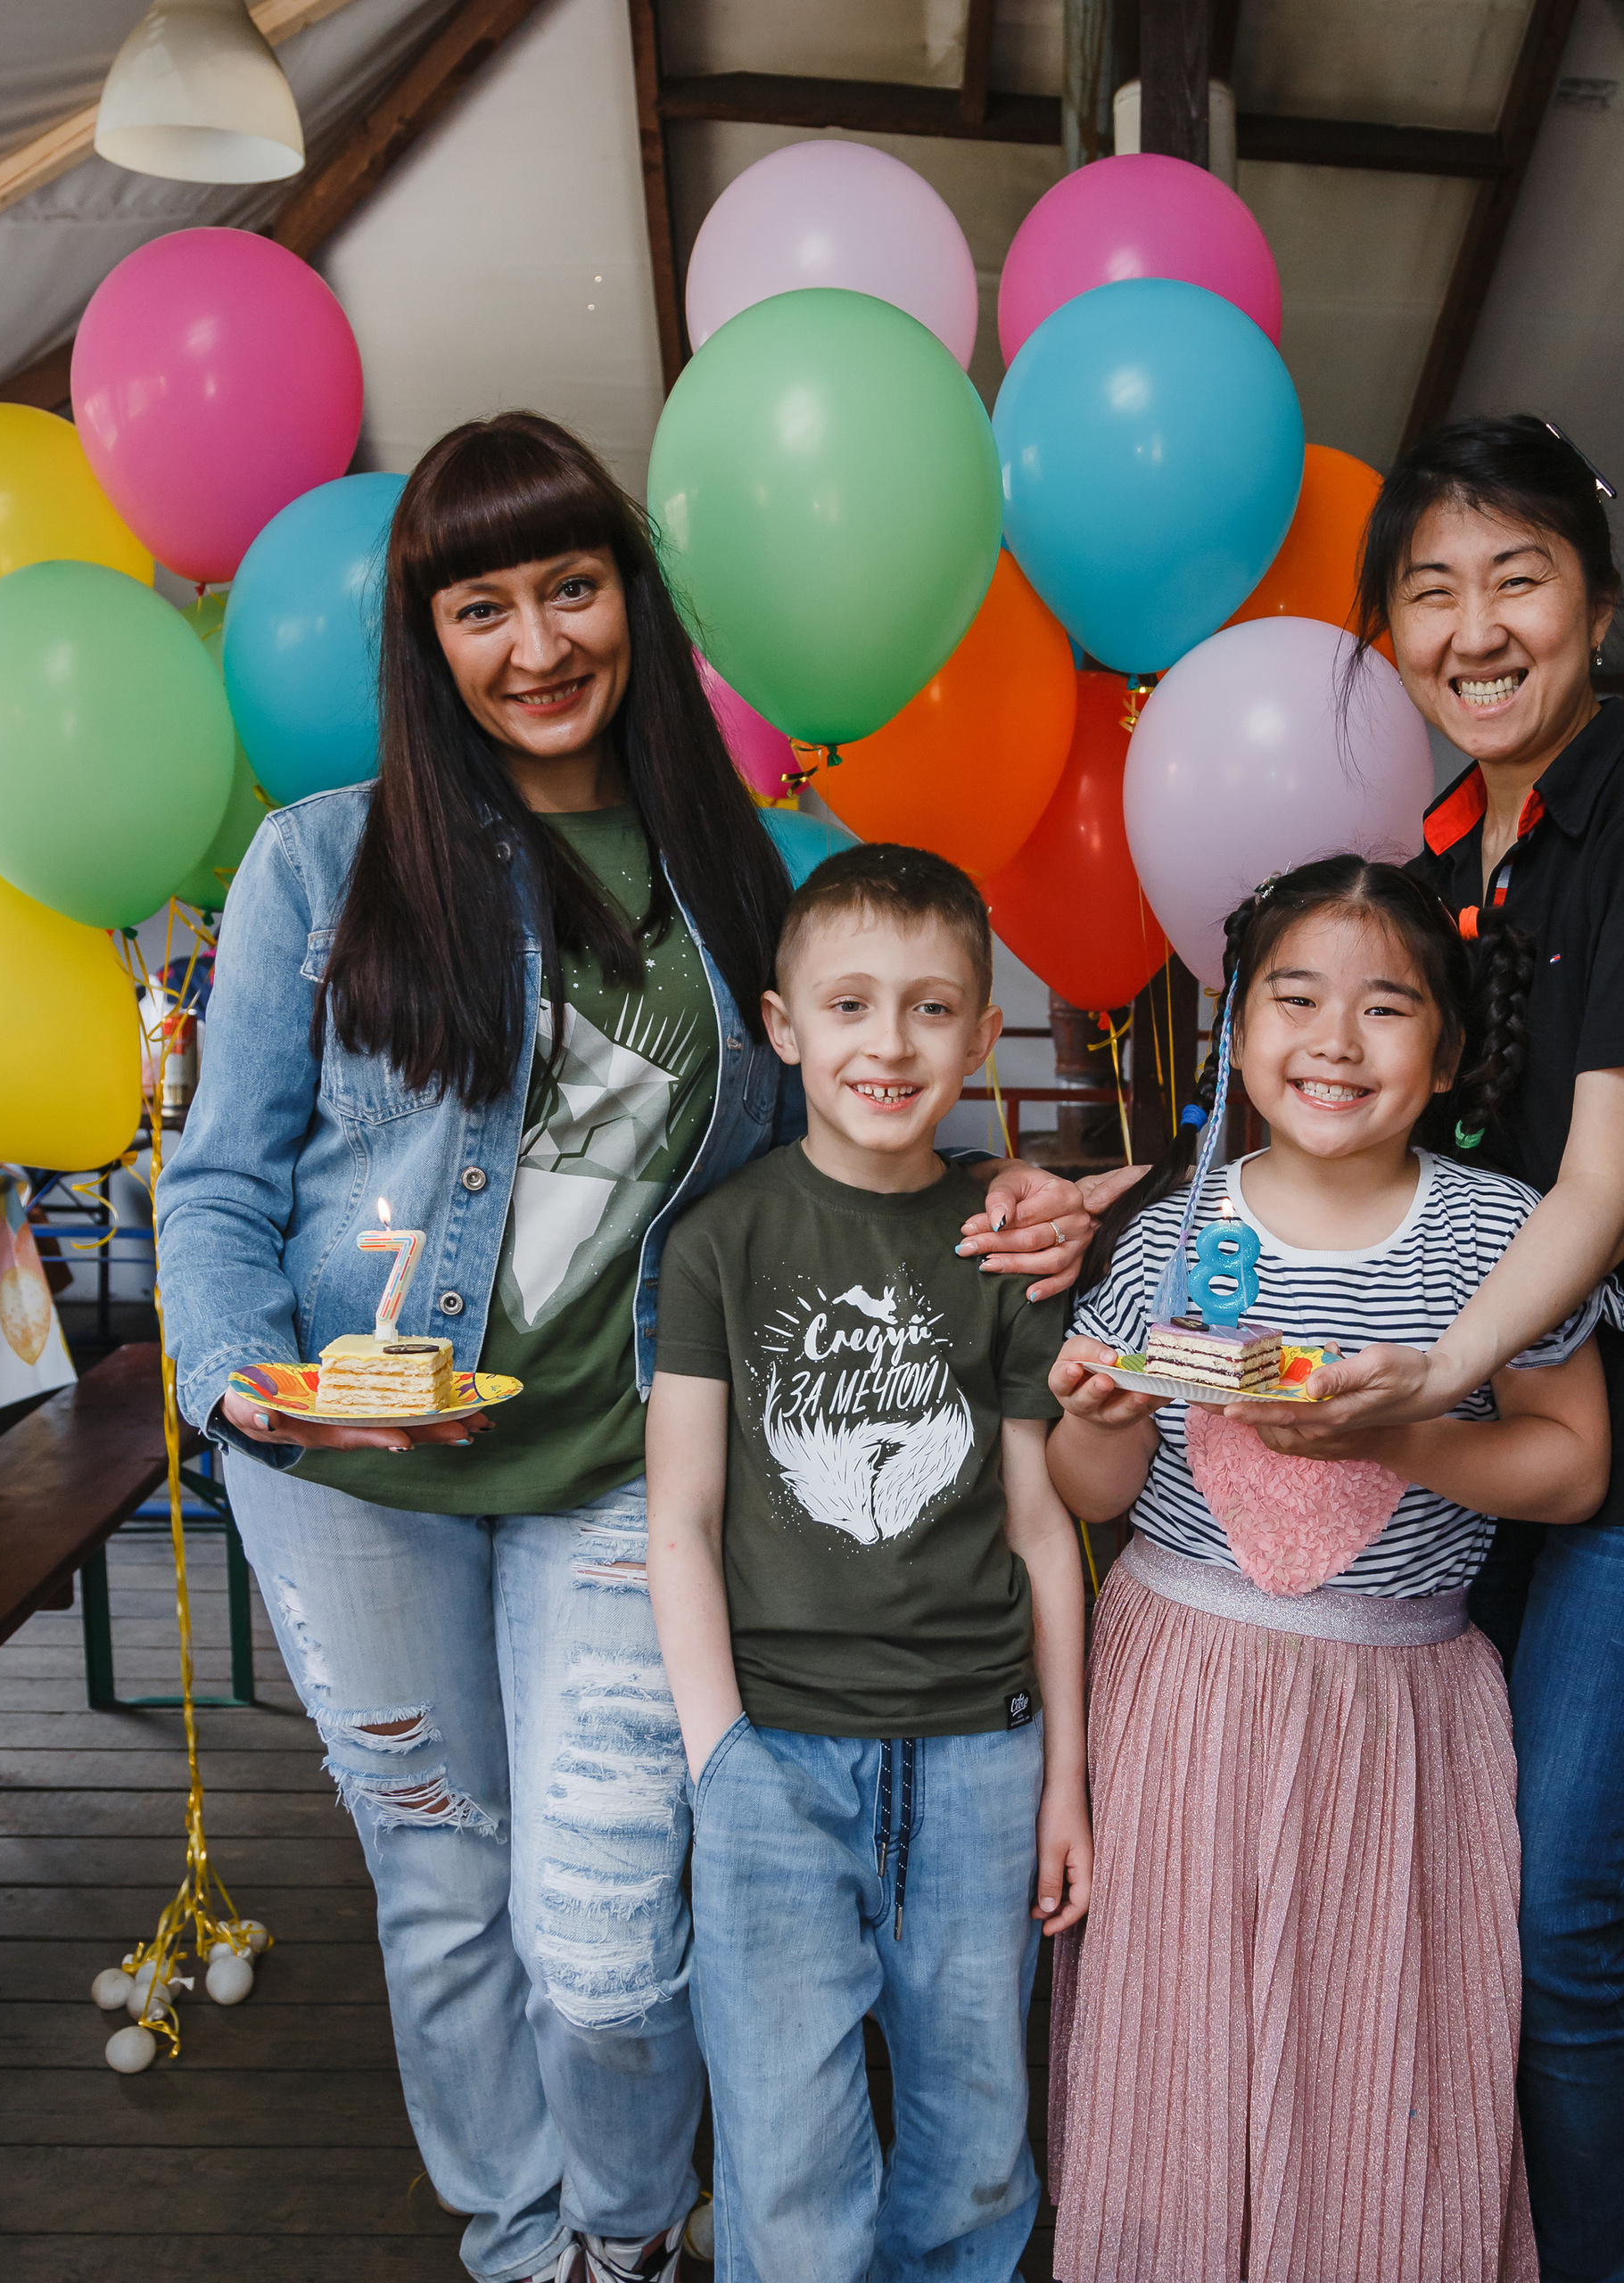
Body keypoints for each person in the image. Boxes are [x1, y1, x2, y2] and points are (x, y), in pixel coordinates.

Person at [155, 414, 1109, 2283]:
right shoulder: (317, 865)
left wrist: (1023, 1195)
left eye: (570, 586)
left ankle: (621, 2220)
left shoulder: (733, 878)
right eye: (481, 604)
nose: (535, 644)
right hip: (348, 1475)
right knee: (442, 1893)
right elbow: (213, 1186)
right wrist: (236, 1371)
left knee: (600, 1933)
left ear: (630, 599)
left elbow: (839, 1133)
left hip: (616, 1472)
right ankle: (529, 2246)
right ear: (425, 639)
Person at [1241, 417, 1624, 2283]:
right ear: (1386, 633)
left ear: (1595, 599)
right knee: (1583, 1886)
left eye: (1515, 576)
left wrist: (1414, 1380)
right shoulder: (1455, 848)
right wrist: (1125, 1193)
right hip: (1539, 1430)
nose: (1473, 625)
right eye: (1429, 589)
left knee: (1551, 1891)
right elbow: (1374, 1115)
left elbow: (1595, 1189)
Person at [1044, 854, 1620, 2283]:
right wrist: (1091, 1418)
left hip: (1398, 1704)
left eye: (1386, 1007)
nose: (1336, 1043)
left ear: (1449, 1047)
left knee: (1379, 2038)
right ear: (1238, 1032)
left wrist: (1405, 1440)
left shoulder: (1501, 1234)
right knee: (1179, 2021)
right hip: (1178, 1685)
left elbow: (1573, 1462)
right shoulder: (1174, 1232)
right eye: (1296, 1000)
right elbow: (1091, 1493)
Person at [645, 844, 1092, 2283]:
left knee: (973, 2145)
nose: (886, 1044)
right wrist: (722, 1758)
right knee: (784, 2148)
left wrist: (1066, 1772)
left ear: (979, 1032)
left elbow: (1042, 1527)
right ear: (783, 1029)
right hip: (775, 1751)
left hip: (977, 1756)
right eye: (847, 1006)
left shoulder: (1007, 1249)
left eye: (927, 1008)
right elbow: (681, 1518)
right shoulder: (720, 1242)